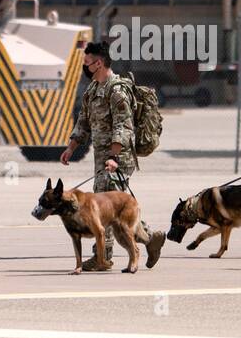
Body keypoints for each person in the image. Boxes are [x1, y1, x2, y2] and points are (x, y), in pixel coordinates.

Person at [61, 41, 165, 271]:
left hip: (118, 158)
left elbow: (123, 126)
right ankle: (148, 238)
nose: (85, 67)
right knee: (113, 209)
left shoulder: (117, 91)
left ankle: (103, 257)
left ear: (98, 63)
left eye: (87, 63)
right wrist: (71, 147)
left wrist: (114, 158)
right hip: (101, 157)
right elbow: (83, 121)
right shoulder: (93, 89)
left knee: (100, 205)